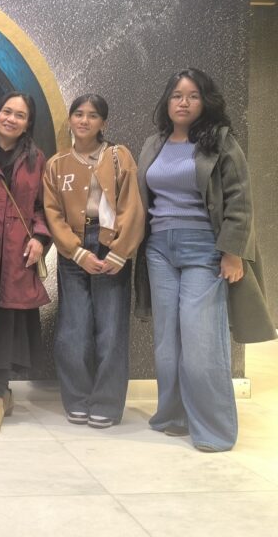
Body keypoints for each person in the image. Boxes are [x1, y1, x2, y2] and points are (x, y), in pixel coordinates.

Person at [136, 68, 274, 452]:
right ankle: (174, 416)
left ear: (204, 101)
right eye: (177, 95)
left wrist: (232, 252)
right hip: (159, 250)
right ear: (167, 101)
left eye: (193, 95)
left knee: (202, 343)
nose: (183, 102)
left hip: (204, 249)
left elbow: (240, 201)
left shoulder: (221, 142)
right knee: (167, 344)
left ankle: (214, 430)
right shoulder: (153, 144)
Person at [43, 94, 144, 429]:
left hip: (110, 245)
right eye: (78, 114)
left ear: (103, 123)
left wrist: (120, 251)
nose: (84, 120)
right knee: (73, 330)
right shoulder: (56, 164)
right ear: (70, 120)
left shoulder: (118, 156)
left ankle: (106, 403)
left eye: (92, 115)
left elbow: (132, 206)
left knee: (111, 329)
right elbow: (53, 213)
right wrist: (76, 251)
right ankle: (77, 399)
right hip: (74, 252)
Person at [0, 92, 51, 437]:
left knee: (7, 320)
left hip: (18, 254)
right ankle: (0, 393)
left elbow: (45, 207)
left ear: (28, 123)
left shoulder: (37, 160)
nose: (11, 119)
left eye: (20, 115)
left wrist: (40, 238)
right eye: (7, 111)